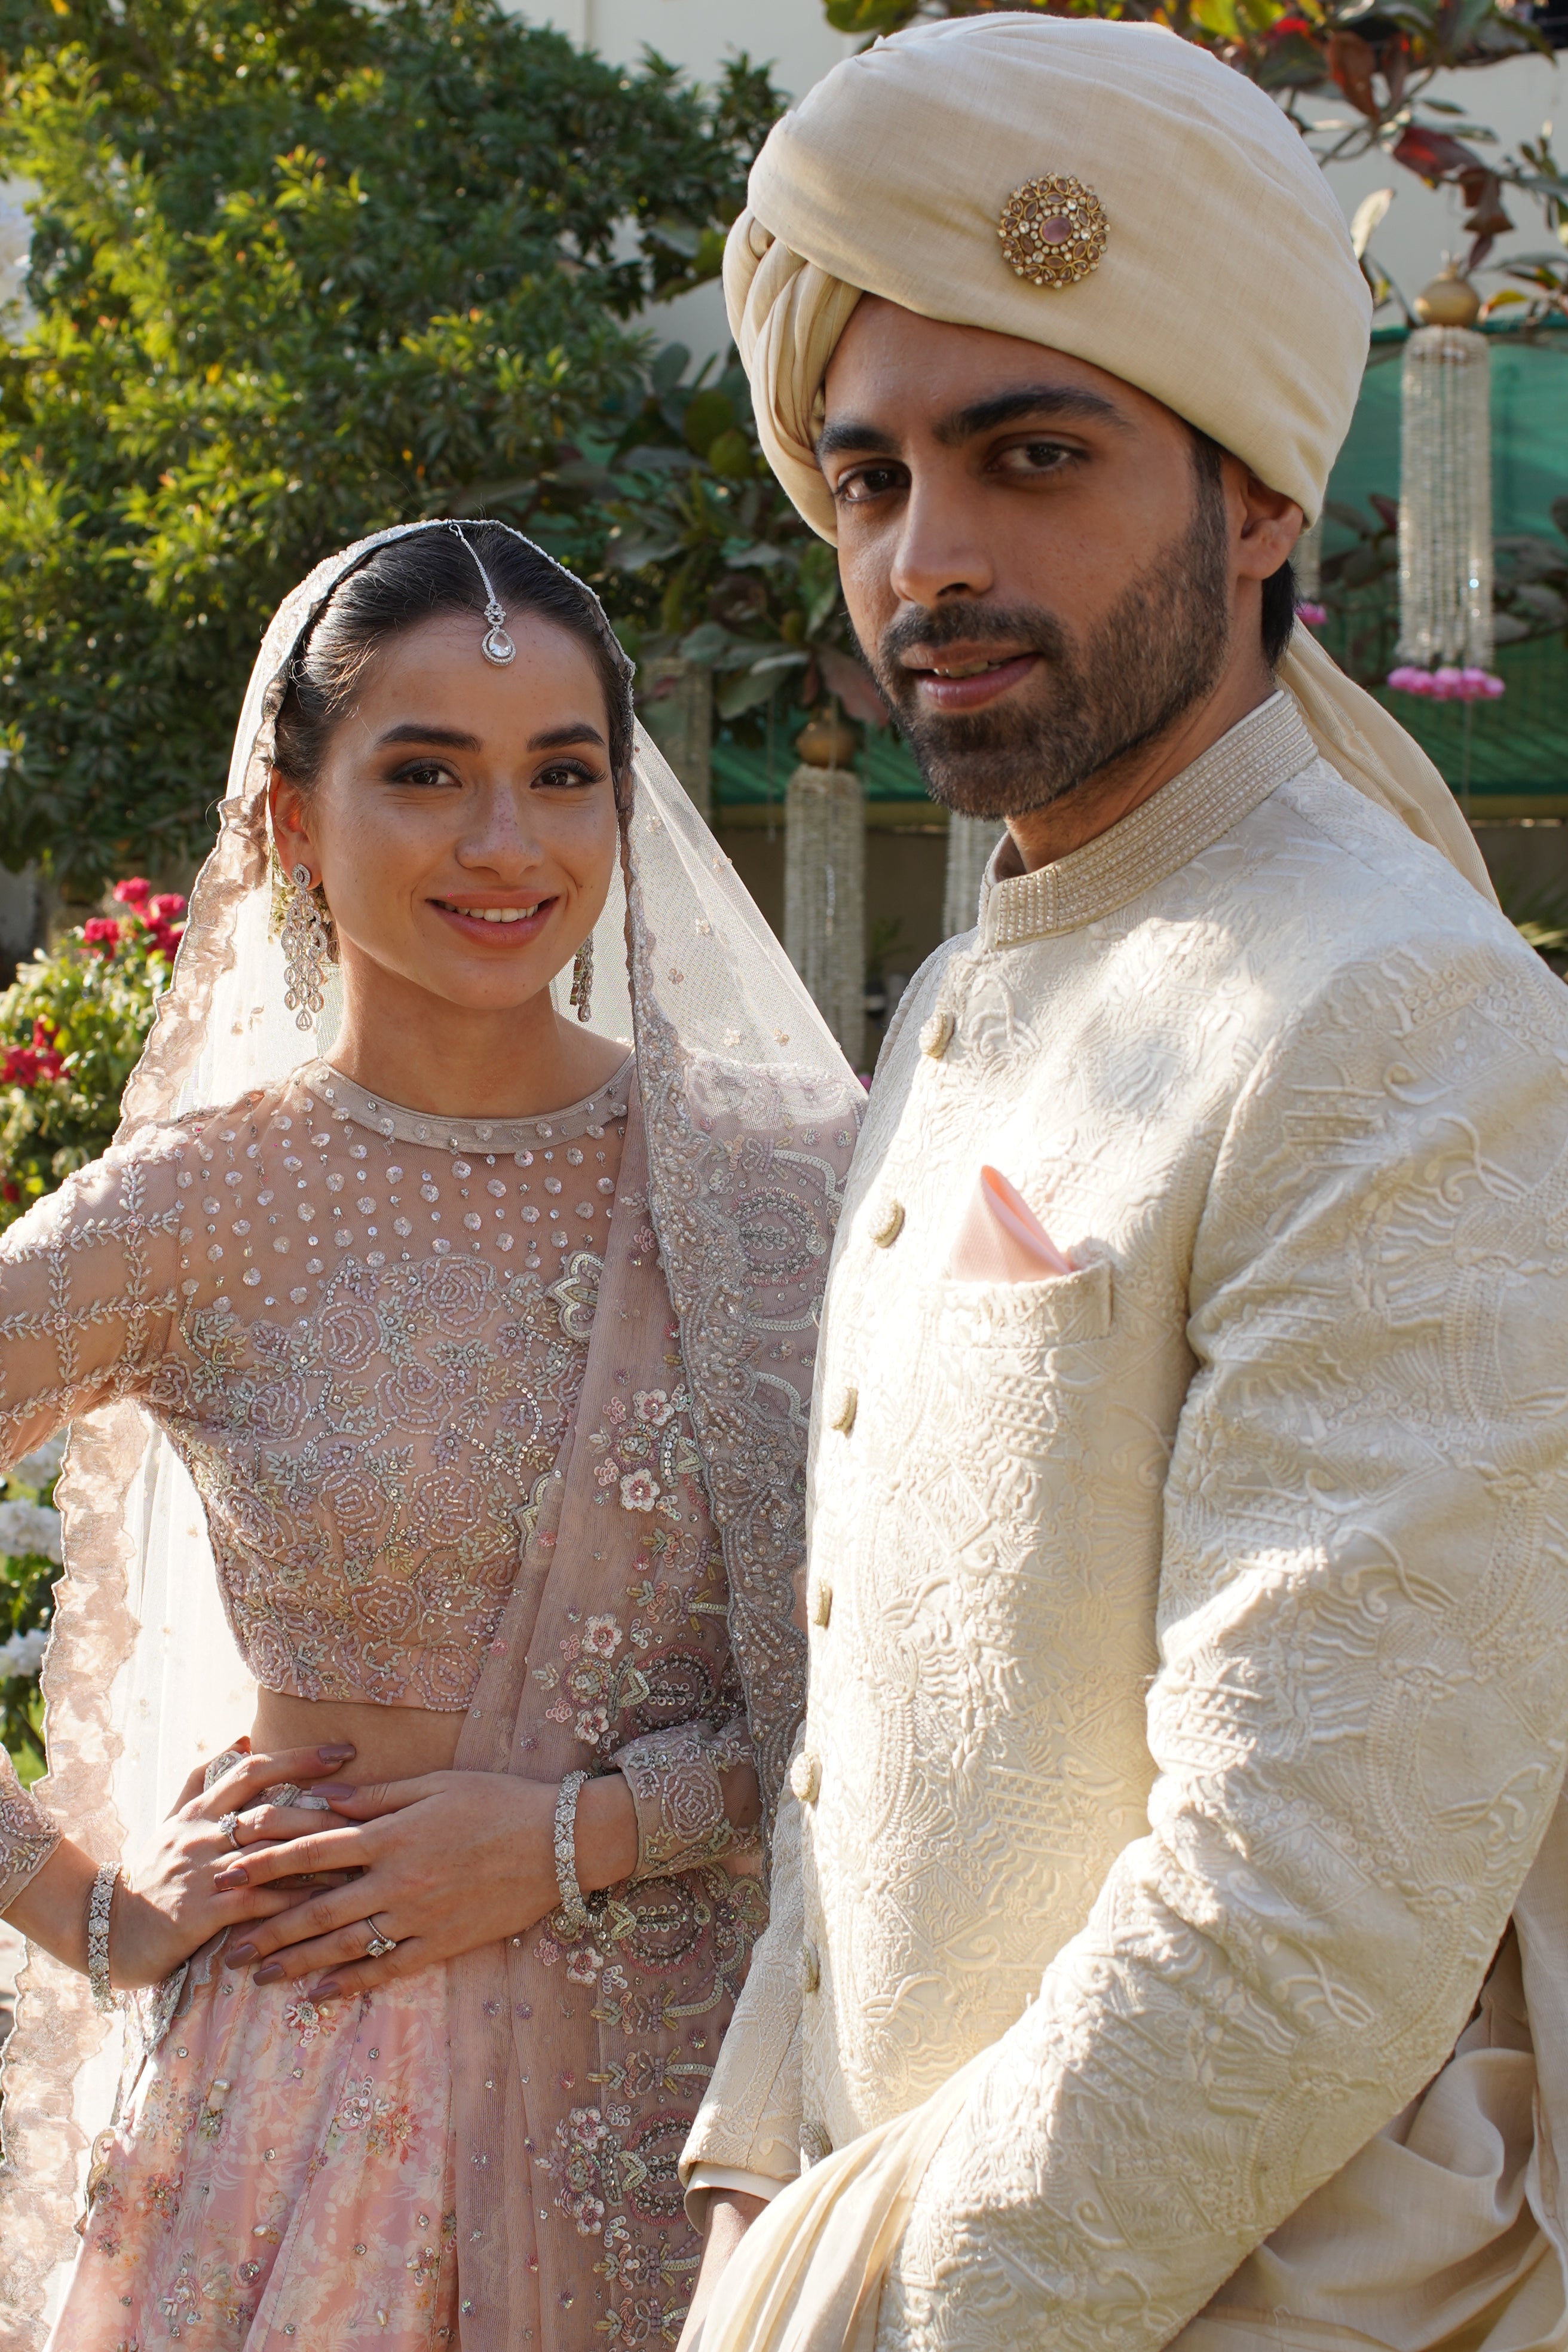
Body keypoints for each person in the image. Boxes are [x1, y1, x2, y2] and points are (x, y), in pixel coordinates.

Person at [676, 17, 1568, 2351]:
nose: (926, 555)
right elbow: (872, 1706)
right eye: (865, 481)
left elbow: (1311, 1895)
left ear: (1256, 493)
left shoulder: (1393, 1015)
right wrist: (759, 2162)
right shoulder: (964, 999)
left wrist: (889, 2311)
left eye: (1028, 453)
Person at [0, 522, 860, 2351]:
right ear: (287, 827)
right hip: (320, 2136)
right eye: (425, 777)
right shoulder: (198, 1213)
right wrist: (95, 1916)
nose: (507, 845)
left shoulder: (788, 1191)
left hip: (718, 2128)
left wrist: (585, 1835)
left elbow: (911, 1685)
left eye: (563, 776)